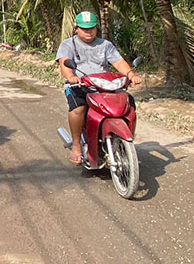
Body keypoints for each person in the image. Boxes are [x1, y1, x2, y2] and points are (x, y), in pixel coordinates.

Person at [56, 11, 140, 164]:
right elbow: (64, 62)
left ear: (96, 28)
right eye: (84, 28)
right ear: (76, 29)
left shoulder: (105, 45)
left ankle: (124, 139)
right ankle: (76, 145)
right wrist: (71, 77)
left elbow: (118, 62)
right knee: (78, 108)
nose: (88, 32)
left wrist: (131, 75)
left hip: (103, 85)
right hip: (79, 85)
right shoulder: (68, 44)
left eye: (92, 28)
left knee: (128, 103)